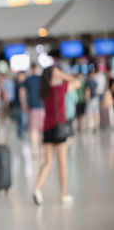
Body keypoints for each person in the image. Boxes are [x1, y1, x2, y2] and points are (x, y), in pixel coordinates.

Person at [33, 66, 80, 205]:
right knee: (62, 163)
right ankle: (63, 194)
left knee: (47, 162)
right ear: (54, 75)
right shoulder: (59, 89)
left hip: (47, 128)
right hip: (59, 128)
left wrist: (57, 75)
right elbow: (77, 82)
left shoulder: (44, 91)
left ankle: (37, 189)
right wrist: (63, 75)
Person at [20, 63, 45, 157]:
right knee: (42, 129)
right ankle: (42, 150)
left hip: (32, 107)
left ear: (31, 69)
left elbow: (22, 92)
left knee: (33, 129)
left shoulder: (27, 80)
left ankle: (35, 151)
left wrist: (23, 104)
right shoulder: (42, 79)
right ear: (37, 68)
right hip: (42, 107)